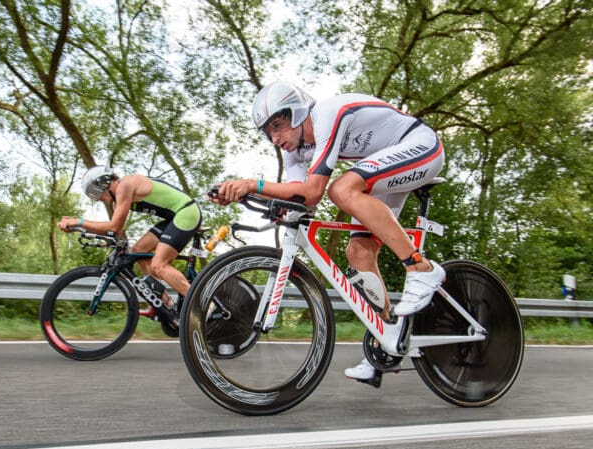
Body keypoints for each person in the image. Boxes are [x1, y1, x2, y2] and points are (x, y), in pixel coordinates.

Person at [211, 81, 446, 383]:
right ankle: (387, 341)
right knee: (358, 253)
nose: (275, 137)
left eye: (279, 126)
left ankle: (420, 267)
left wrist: (253, 184)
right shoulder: (295, 152)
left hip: (421, 146)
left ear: (296, 114)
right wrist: (242, 194)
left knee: (342, 188)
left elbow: (313, 192)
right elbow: (297, 200)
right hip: (387, 165)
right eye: (269, 132)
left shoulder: (326, 115)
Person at [58, 165, 201, 322]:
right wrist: (77, 227)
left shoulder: (124, 186)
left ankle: (203, 306)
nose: (99, 199)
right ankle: (162, 303)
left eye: (96, 194)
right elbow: (113, 232)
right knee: (139, 250)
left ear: (104, 184)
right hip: (173, 218)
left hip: (186, 212)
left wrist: (79, 221)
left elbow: (114, 227)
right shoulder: (118, 198)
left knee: (159, 264)